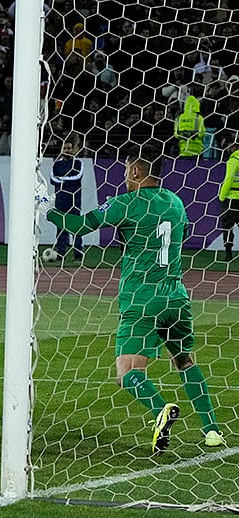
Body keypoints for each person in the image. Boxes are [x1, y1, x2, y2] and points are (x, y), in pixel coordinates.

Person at [45, 142, 226, 452]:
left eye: (127, 170)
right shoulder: (175, 202)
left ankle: (160, 410)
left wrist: (45, 210)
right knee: (184, 361)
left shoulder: (126, 203)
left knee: (126, 373)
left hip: (142, 299)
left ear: (137, 171)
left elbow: (79, 226)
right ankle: (212, 431)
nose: (125, 176)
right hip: (176, 297)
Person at [50, 139, 84, 261]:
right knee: (61, 226)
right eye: (64, 148)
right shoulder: (56, 164)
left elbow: (77, 178)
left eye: (69, 148)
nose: (67, 150)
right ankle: (61, 253)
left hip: (74, 199)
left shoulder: (78, 163)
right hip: (60, 199)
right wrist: (66, 180)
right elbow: (52, 179)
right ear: (61, 150)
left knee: (76, 226)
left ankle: (78, 253)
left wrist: (62, 180)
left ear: (73, 149)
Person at [218, 137, 239, 262]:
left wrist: (222, 197)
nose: (228, 148)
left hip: (231, 198)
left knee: (227, 226)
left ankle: (228, 253)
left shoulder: (233, 160)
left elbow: (229, 179)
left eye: (230, 146)